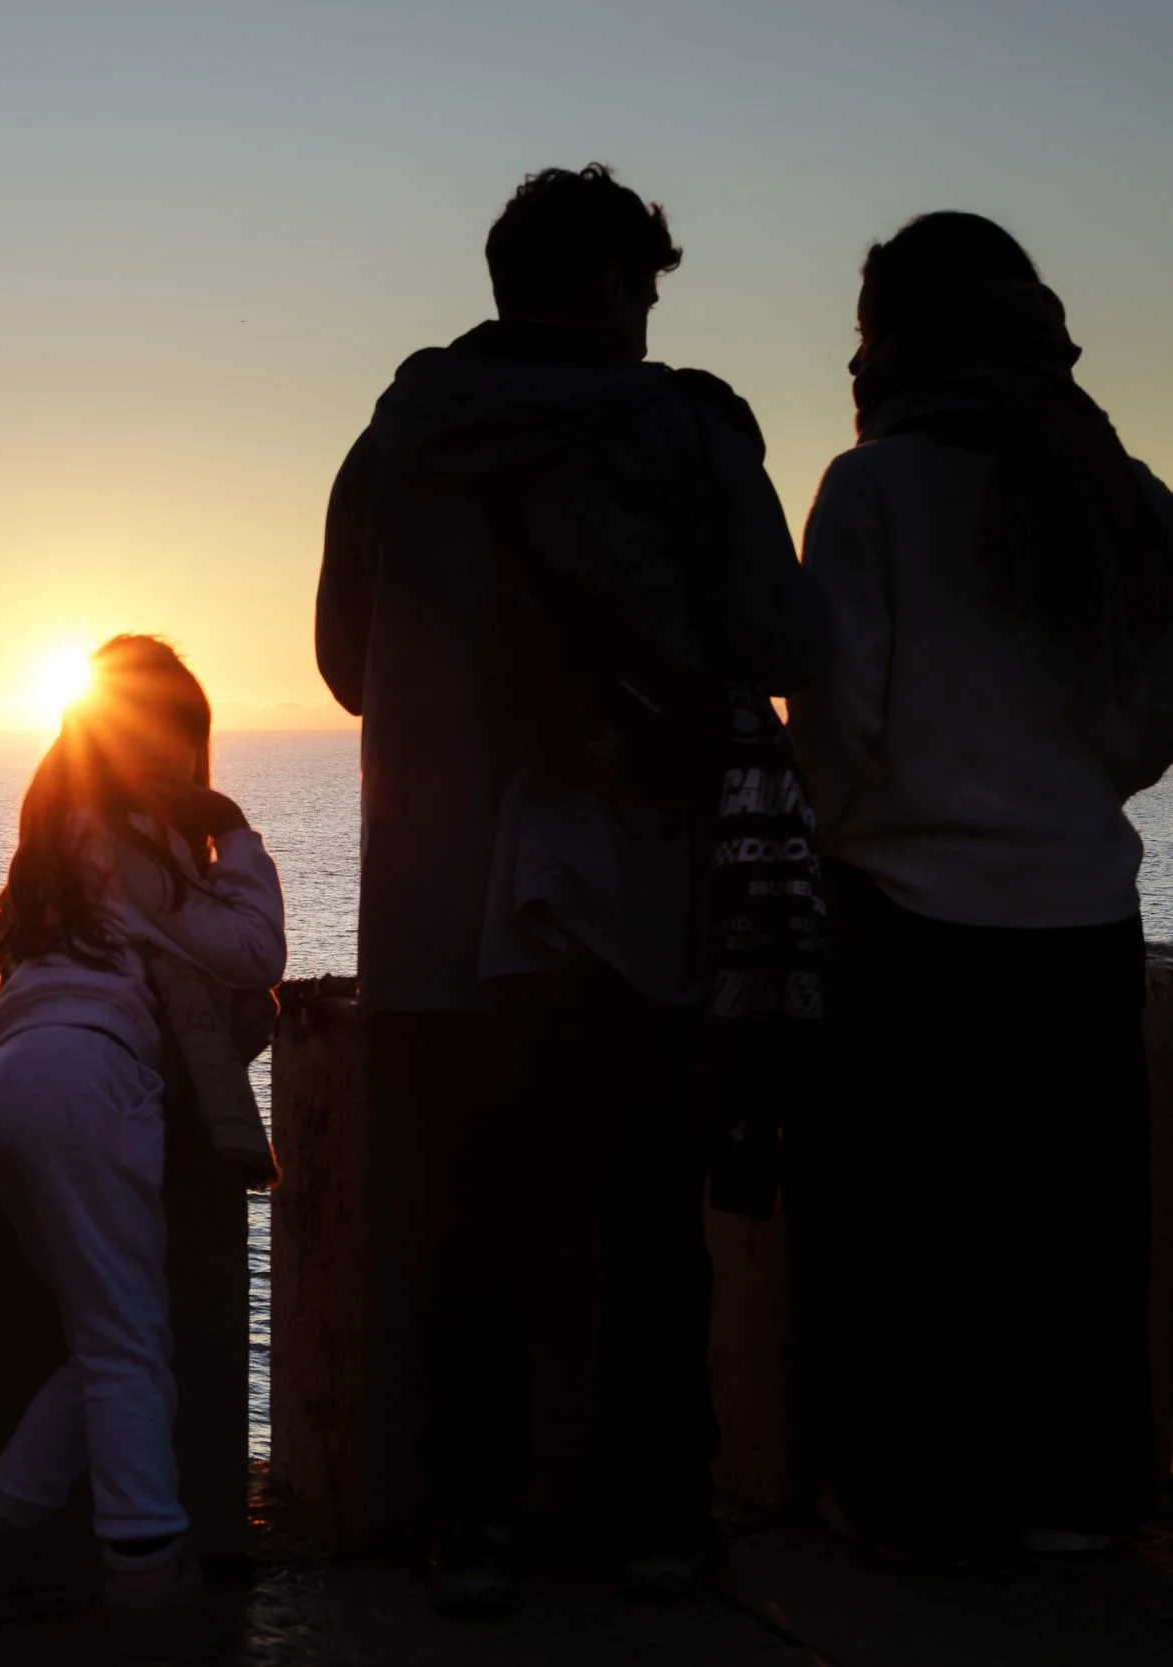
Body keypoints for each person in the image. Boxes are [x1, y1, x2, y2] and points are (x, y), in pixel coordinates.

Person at [316, 165, 826, 1613]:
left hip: (433, 921)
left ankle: (467, 1532)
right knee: (646, 1232)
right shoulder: (685, 428)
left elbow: (347, 664)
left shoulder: (398, 435)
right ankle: (657, 1522)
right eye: (646, 290)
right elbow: (782, 640)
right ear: (612, 287)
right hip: (627, 912)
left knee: (465, 1233)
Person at [790, 213, 1173, 1562]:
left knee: (912, 1235)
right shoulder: (1116, 487)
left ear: (889, 335)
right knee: (1075, 1238)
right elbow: (1149, 713)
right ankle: (1075, 1498)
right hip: (1083, 906)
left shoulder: (877, 488)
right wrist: (1072, 792)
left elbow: (836, 707)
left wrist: (858, 824)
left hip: (906, 915)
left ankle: (913, 1502)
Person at [0, 636, 286, 1661]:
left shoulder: (57, 829)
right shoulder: (133, 834)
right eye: (164, 736)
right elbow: (255, 950)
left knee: (111, 1337)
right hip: (90, 1086)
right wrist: (238, 833)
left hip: (9, 1094)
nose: (175, 760)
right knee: (132, 1346)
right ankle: (148, 1587)